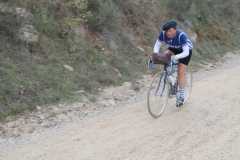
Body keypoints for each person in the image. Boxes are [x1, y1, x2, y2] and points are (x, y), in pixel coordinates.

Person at [148, 20, 193, 107]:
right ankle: (170, 76)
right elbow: (157, 46)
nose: (167, 33)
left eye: (170, 31)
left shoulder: (181, 36)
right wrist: (155, 55)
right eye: (166, 31)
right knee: (164, 58)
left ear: (175, 29)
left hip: (185, 51)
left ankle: (181, 97)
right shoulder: (163, 34)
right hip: (173, 48)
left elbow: (186, 52)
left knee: (180, 72)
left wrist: (175, 57)